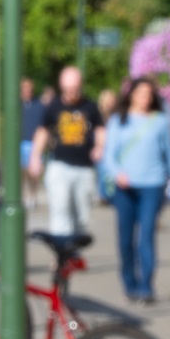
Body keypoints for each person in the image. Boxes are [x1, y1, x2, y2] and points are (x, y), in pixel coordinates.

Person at [98, 77, 170, 304]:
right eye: (141, 93)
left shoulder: (160, 121)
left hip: (152, 185)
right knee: (125, 240)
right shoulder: (118, 121)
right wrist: (118, 174)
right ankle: (130, 284)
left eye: (149, 94)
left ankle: (146, 286)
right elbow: (109, 156)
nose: (145, 98)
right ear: (132, 95)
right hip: (125, 188)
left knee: (146, 237)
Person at [29, 65, 105, 238]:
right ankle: (62, 254)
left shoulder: (90, 106)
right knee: (60, 209)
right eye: (68, 90)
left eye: (75, 90)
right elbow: (43, 131)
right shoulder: (53, 106)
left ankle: (73, 252)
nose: (72, 94)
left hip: (84, 167)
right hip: (59, 165)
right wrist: (35, 157)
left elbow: (100, 130)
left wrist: (100, 148)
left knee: (82, 215)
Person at [18, 77, 46, 208]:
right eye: (24, 89)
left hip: (34, 144)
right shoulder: (16, 106)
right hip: (21, 143)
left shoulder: (39, 105)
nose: (27, 91)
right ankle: (23, 197)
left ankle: (33, 196)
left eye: (29, 89)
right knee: (21, 173)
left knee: (33, 173)